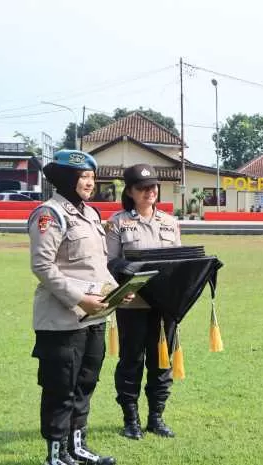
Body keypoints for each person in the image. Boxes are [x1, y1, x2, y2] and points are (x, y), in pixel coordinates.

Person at [29, 150, 122, 465]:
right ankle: (55, 456)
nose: (89, 183)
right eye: (83, 177)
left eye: (92, 178)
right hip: (61, 320)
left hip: (93, 316)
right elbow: (43, 266)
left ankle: (77, 447)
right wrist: (78, 299)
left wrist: (116, 291)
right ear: (68, 179)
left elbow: (98, 265)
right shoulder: (50, 213)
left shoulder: (91, 214)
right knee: (60, 389)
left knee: (85, 384)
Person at [105, 164, 181, 440]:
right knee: (131, 361)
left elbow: (179, 263)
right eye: (142, 188)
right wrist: (125, 269)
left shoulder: (170, 222)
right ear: (130, 192)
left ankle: (156, 418)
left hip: (164, 306)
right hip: (132, 303)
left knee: (162, 362)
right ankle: (131, 420)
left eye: (153, 187)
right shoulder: (117, 223)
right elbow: (108, 262)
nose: (149, 192)